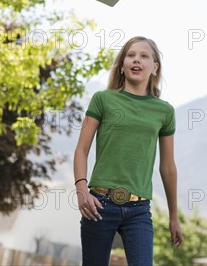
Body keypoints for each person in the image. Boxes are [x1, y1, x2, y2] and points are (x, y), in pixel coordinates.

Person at [73, 36, 183, 265]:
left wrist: (174, 216)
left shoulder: (164, 111)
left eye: (144, 56)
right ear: (122, 65)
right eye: (131, 55)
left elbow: (168, 167)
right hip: (99, 203)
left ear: (154, 68)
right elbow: (82, 149)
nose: (137, 60)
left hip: (139, 210)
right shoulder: (103, 99)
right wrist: (82, 189)